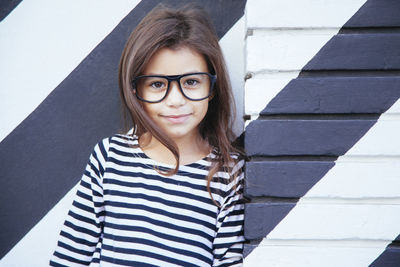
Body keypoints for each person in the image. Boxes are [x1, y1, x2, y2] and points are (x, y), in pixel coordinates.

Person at [50, 4, 245, 267]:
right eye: (157, 84)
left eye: (191, 82)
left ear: (212, 87)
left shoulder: (229, 173)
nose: (175, 100)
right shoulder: (109, 158)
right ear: (135, 92)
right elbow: (70, 257)